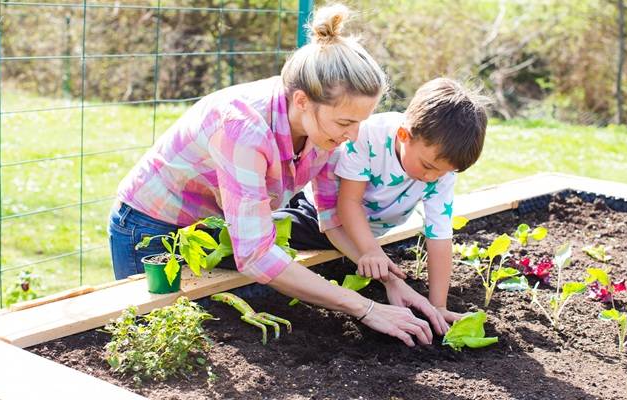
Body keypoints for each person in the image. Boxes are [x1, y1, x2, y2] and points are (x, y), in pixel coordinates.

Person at [108, 4, 443, 347]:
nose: (354, 136)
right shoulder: (244, 128)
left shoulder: (323, 130)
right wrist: (365, 308)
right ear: (301, 100)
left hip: (213, 230)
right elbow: (254, 255)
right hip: (152, 229)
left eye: (360, 122)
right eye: (346, 123)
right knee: (160, 340)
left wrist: (390, 281)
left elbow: (330, 218)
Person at [276, 78, 488, 325]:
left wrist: (438, 305)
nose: (432, 178)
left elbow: (439, 235)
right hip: (319, 215)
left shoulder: (440, 169)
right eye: (428, 167)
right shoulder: (369, 135)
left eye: (442, 172)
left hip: (364, 231)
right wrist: (371, 251)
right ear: (403, 135)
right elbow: (348, 203)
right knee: (269, 232)